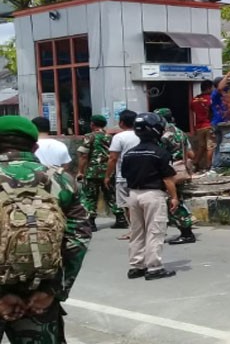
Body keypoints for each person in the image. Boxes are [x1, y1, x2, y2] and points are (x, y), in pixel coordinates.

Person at [0, 116, 91, 342]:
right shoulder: (62, 180)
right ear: (34, 147)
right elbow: (78, 238)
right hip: (40, 295)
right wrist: (53, 291)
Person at [122, 113, 179, 280]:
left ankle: (136, 266)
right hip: (153, 195)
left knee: (137, 231)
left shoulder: (129, 153)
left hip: (133, 194)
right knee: (155, 231)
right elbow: (168, 179)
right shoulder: (160, 153)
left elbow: (125, 175)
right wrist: (174, 197)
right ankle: (154, 268)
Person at [77, 115, 127, 231]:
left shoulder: (89, 137)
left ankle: (91, 222)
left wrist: (80, 171)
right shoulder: (110, 137)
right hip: (108, 171)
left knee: (90, 197)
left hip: (93, 172)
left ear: (92, 124)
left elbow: (84, 155)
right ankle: (121, 218)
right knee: (111, 195)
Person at [154, 108, 196, 246]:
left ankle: (186, 232)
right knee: (176, 199)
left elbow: (159, 154)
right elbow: (191, 154)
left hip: (170, 171)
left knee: (173, 201)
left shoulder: (165, 136)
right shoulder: (180, 132)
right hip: (180, 170)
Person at [106, 110, 140, 240]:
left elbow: (113, 158)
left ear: (121, 122)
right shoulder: (142, 134)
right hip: (141, 175)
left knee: (127, 205)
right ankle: (139, 229)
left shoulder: (119, 137)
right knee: (138, 204)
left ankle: (133, 231)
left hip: (123, 176)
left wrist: (107, 175)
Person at [210, 71, 230, 169]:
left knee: (225, 144)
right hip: (218, 123)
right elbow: (220, 87)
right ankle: (215, 165)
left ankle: (221, 164)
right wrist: (227, 76)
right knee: (218, 145)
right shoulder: (215, 94)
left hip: (225, 123)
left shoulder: (225, 93)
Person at [191, 79, 215, 172]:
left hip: (199, 127)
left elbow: (193, 110)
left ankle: (195, 163)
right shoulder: (210, 99)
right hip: (209, 125)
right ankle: (209, 166)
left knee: (201, 147)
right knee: (210, 147)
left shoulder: (194, 100)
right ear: (209, 88)